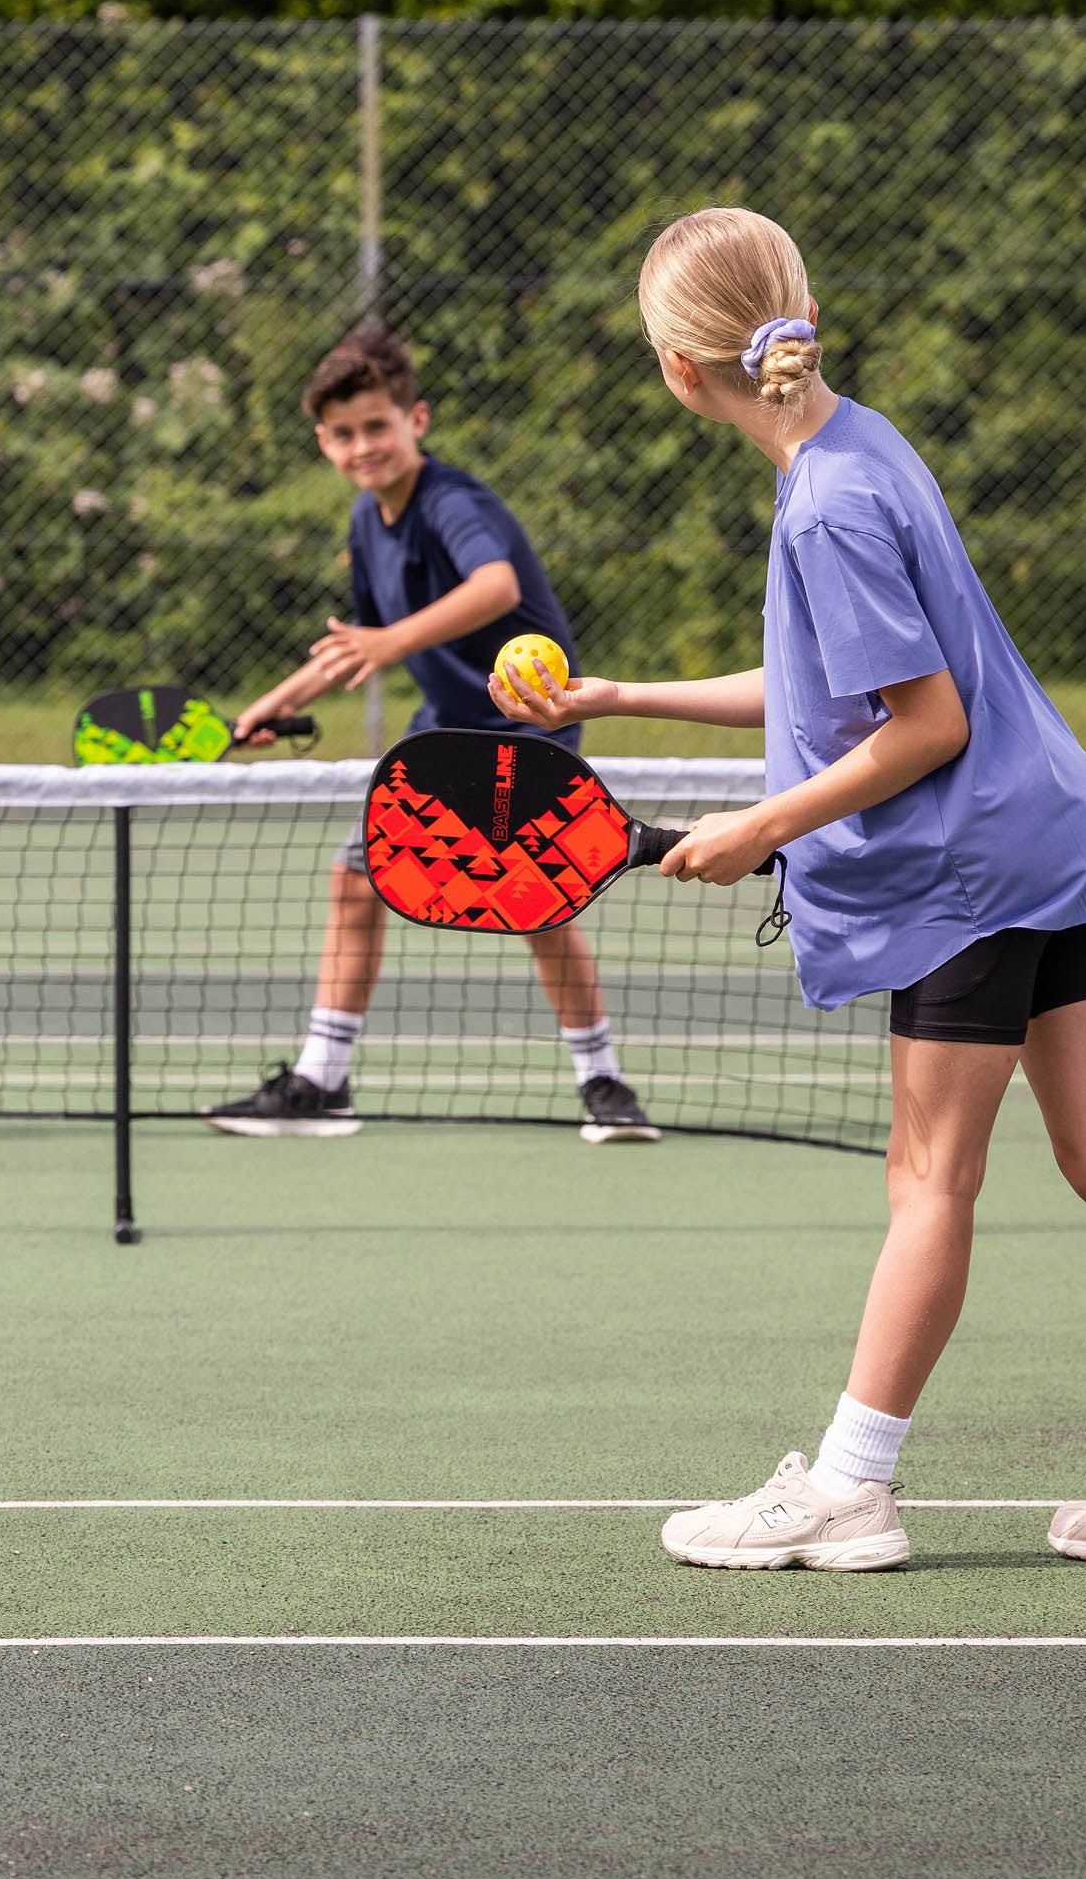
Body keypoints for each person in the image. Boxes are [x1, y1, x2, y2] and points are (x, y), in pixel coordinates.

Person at [494, 206, 1086, 1572]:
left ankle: (850, 1488)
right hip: (1053, 832)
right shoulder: (857, 443)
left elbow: (922, 725)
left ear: (675, 368)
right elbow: (842, 687)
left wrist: (761, 824)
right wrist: (621, 693)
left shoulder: (828, 501)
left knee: (931, 1176)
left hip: (972, 866)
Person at [201, 324, 658, 1144]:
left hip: (531, 734)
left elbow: (495, 585)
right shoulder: (364, 521)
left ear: (417, 420)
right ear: (322, 442)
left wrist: (391, 643)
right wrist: (269, 703)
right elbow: (357, 644)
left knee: (538, 908)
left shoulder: (453, 502)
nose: (362, 446)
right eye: (343, 434)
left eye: (377, 426)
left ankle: (604, 1082)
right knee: (354, 879)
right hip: (442, 738)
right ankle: (322, 1081)